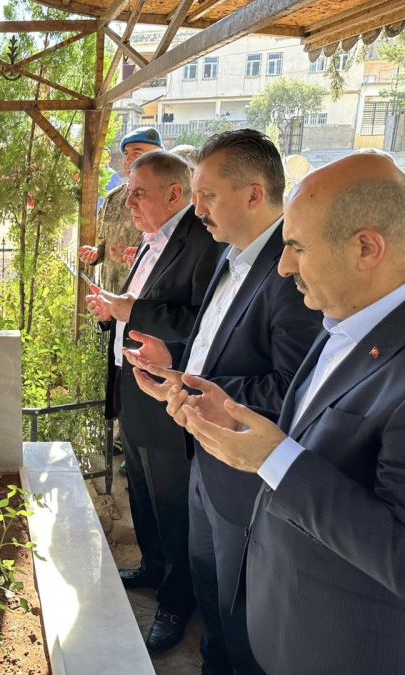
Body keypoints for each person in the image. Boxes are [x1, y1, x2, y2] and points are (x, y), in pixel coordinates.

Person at [179, 154, 405, 675]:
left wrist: (275, 458)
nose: (282, 267)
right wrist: (232, 412)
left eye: (297, 248)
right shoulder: (341, 322)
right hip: (285, 619)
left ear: (366, 248)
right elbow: (309, 425)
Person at [125, 130, 323, 674]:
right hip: (206, 460)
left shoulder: (293, 272)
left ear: (255, 194)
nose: (197, 208)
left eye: (208, 195)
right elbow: (220, 343)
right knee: (211, 596)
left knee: (241, 617)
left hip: (248, 477)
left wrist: (197, 388)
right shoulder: (231, 255)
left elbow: (294, 388)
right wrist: (179, 355)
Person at [86, 150, 223, 652]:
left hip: (168, 392)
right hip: (134, 386)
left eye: (139, 191)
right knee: (139, 487)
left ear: (175, 193)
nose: (129, 201)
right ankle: (152, 566)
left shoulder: (203, 244)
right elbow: (141, 308)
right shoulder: (152, 242)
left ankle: (175, 600)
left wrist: (133, 309)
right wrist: (113, 314)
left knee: (171, 500)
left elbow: (200, 323)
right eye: (128, 190)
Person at [80, 127, 163, 293]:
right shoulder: (114, 197)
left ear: (159, 157)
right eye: (126, 153)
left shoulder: (167, 201)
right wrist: (96, 254)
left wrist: (137, 258)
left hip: (141, 300)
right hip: (110, 296)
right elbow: (104, 243)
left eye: (137, 153)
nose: (128, 159)